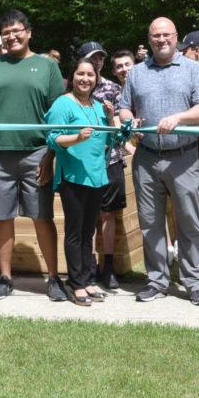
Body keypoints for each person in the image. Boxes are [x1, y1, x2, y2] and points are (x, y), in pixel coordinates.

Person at [0, 9, 67, 301]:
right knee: (2, 218)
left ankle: (53, 278)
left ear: (28, 32)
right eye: (6, 32)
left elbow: (58, 115)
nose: (12, 36)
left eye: (17, 30)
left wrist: (50, 157)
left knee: (42, 217)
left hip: (38, 153)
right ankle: (4, 278)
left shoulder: (47, 66)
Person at [119, 17, 199, 305]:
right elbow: (124, 108)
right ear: (149, 39)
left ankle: (195, 282)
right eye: (156, 36)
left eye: (166, 35)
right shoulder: (136, 73)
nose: (161, 40)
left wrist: (179, 118)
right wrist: (129, 120)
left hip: (183, 157)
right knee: (150, 223)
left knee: (189, 221)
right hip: (146, 158)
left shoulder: (193, 69)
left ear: (176, 37)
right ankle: (157, 280)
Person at [46, 59, 116, 306]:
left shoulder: (98, 106)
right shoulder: (63, 103)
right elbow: (52, 139)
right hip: (73, 176)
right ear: (72, 76)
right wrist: (76, 137)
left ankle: (87, 279)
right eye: (80, 74)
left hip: (96, 176)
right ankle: (75, 284)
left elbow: (112, 136)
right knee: (75, 232)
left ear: (96, 79)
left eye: (90, 74)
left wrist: (111, 117)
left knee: (89, 232)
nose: (85, 78)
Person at [80, 42, 127, 290]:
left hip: (110, 160)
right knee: (87, 215)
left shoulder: (112, 88)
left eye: (99, 58)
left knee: (108, 214)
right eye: (91, 58)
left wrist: (111, 117)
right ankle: (87, 266)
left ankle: (107, 266)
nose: (96, 62)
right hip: (83, 162)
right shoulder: (73, 88)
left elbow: (120, 132)